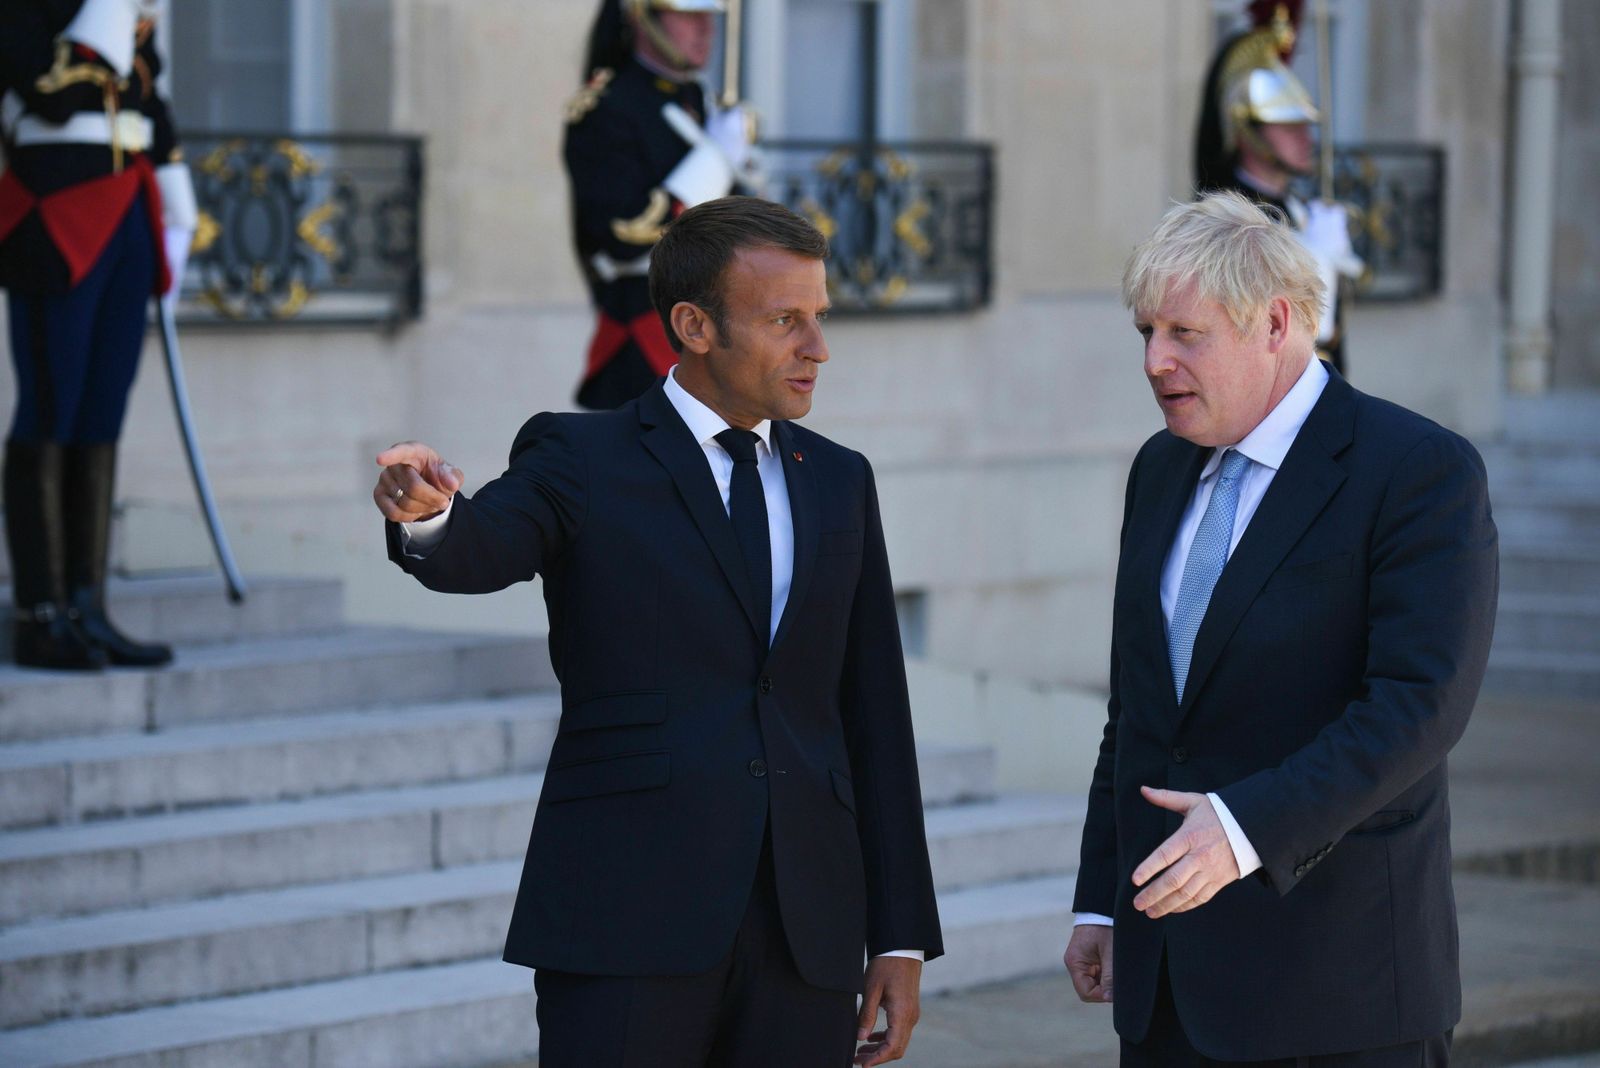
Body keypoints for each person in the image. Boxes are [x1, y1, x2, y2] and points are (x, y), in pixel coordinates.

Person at [373, 196, 941, 1067]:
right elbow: (482, 545)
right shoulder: (581, 456)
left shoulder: (839, 481)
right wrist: (431, 514)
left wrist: (898, 934)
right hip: (626, 921)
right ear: (694, 325)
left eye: (819, 318)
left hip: (808, 935)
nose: (817, 347)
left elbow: (874, 713)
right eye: (785, 320)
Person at [1063, 191, 1497, 1066]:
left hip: (1339, 993)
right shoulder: (1159, 469)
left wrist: (1244, 827)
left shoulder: (1415, 471)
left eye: (1186, 334)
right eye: (1146, 332)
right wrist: (1101, 902)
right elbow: (1141, 712)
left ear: (1276, 323)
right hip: (1168, 988)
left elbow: (1419, 707)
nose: (1155, 361)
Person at [0, 0, 196, 670]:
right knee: (51, 408)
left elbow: (150, 105)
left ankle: (87, 604)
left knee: (102, 409)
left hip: (126, 216)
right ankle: (39, 613)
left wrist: (178, 207)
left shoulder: (127, 17)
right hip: (52, 217)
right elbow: (41, 90)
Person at [564, 0, 759, 410]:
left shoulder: (699, 99)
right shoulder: (605, 108)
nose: (705, 28)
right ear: (643, 17)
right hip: (648, 336)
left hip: (721, 332)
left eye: (709, 16)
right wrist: (714, 161)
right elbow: (626, 236)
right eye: (688, 15)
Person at [1194, 0, 1360, 374]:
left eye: (1303, 124)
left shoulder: (1302, 213)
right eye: (1287, 126)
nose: (1305, 137)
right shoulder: (1224, 220)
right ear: (1248, 131)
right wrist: (1317, 262)